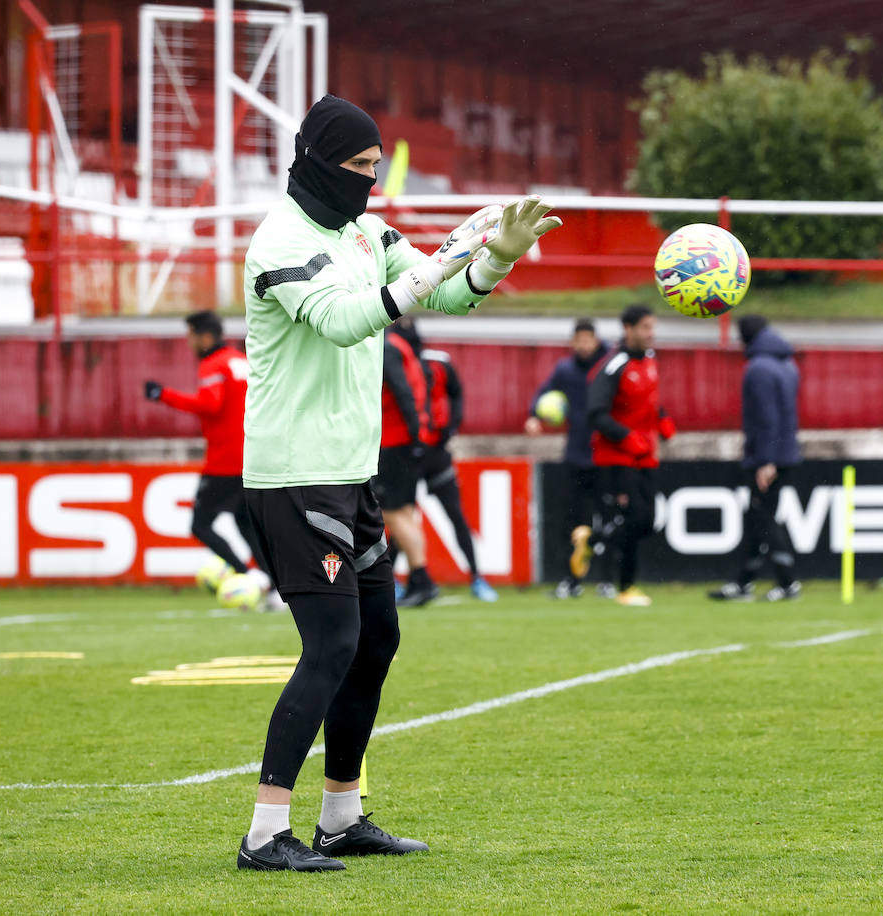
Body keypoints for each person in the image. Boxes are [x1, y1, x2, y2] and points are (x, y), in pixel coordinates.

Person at [236, 94, 560, 872]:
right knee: (334, 643)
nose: (369, 183)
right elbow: (349, 319)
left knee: (378, 637)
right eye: (357, 168)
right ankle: (262, 834)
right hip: (293, 473)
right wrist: (433, 269)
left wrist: (494, 257)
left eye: (376, 169)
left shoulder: (363, 229)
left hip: (352, 471)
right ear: (317, 163)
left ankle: (341, 818)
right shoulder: (279, 241)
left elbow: (442, 291)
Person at [144, 311, 271, 594]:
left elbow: (210, 404)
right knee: (245, 524)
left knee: (200, 525)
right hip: (250, 457)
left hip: (224, 462)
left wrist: (163, 395)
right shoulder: (240, 360)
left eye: (190, 336)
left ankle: (245, 574)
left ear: (205, 337)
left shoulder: (212, 364)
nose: (188, 343)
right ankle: (273, 587)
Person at [396, 315, 499, 602]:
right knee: (398, 517)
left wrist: (450, 428)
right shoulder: (392, 359)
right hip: (406, 452)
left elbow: (456, 393)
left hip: (434, 452)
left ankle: (477, 577)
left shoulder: (437, 361)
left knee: (453, 515)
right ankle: (394, 581)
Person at [578, 304, 674, 608]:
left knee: (647, 522)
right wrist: (627, 438)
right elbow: (596, 414)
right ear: (628, 329)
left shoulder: (650, 360)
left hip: (646, 454)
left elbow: (646, 403)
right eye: (645, 328)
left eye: (652, 327)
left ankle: (591, 542)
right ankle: (626, 587)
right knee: (636, 517)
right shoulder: (613, 365)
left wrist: (662, 419)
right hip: (616, 456)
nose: (650, 334)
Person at [708, 314, 803, 602]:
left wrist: (765, 460)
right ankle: (743, 582)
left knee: (762, 517)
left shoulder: (758, 369)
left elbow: (766, 418)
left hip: (767, 456)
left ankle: (787, 583)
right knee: (757, 516)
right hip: (785, 452)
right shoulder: (787, 364)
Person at [524, 319, 609, 597]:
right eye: (579, 340)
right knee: (571, 521)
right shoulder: (566, 370)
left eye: (589, 340)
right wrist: (535, 415)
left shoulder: (609, 365)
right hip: (576, 455)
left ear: (596, 341)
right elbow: (542, 395)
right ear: (574, 342)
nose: (584, 345)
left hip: (607, 455)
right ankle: (571, 582)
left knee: (608, 519)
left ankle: (609, 580)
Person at [374, 322, 438, 608]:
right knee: (404, 513)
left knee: (394, 513)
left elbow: (401, 391)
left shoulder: (387, 346)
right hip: (408, 440)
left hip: (396, 441)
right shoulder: (403, 346)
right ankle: (417, 580)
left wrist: (413, 435)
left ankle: (422, 579)